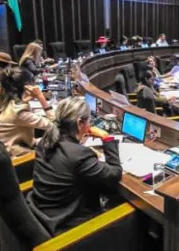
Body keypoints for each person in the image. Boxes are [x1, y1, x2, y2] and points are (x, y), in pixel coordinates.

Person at [29, 97, 123, 235]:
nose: (91, 124)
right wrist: (106, 137)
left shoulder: (46, 140)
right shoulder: (79, 154)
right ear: (80, 123)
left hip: (42, 214)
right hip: (66, 226)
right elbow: (115, 173)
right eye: (89, 120)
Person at [0, 67, 53, 156]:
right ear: (27, 86)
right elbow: (55, 125)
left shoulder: (1, 100)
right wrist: (41, 97)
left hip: (7, 148)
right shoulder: (19, 111)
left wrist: (24, 101)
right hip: (21, 159)